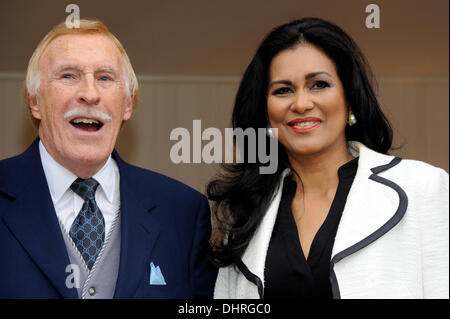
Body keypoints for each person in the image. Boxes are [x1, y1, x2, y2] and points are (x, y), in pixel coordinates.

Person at [208, 17, 449, 299]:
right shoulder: (245, 213)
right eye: (283, 90)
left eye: (319, 84)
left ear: (349, 99)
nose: (300, 103)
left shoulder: (423, 187)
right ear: (265, 112)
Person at [0, 19, 217, 298]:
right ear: (35, 101)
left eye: (105, 78)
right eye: (68, 75)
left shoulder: (183, 212)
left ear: (127, 104)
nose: (90, 94)